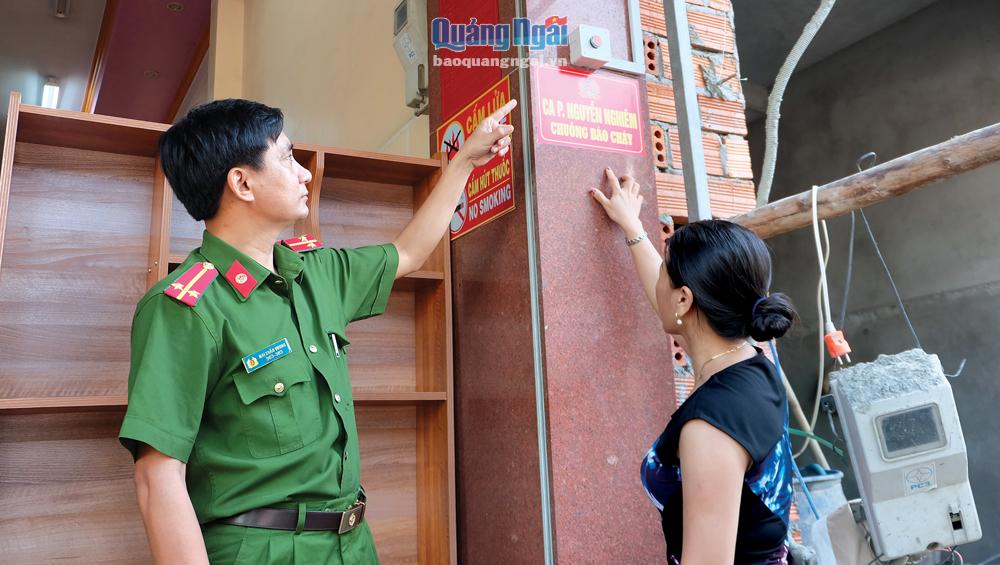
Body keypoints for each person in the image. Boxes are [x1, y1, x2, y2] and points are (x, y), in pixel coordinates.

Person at [118, 97, 516, 564]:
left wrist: (464, 163)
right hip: (262, 551)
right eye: (287, 157)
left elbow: (407, 253)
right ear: (241, 183)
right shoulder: (185, 307)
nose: (305, 173)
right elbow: (157, 478)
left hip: (352, 542)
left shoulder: (316, 271)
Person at [591, 169, 797, 564]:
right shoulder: (749, 360)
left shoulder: (710, 429)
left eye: (668, 277)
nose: (660, 286)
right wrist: (632, 227)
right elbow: (668, 301)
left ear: (684, 300)